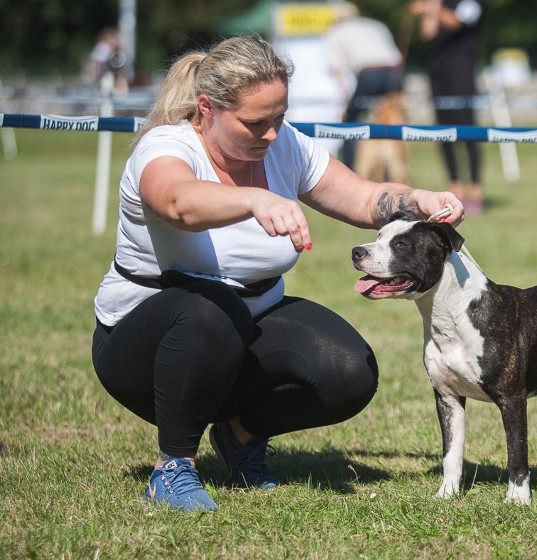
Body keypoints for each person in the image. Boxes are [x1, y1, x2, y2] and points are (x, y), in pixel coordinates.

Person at [91, 35, 464, 512]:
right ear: (206, 108)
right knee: (210, 309)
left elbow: (365, 199)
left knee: (349, 371)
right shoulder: (166, 146)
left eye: (279, 117)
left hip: (240, 331)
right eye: (255, 123)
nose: (271, 134)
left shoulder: (283, 145)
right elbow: (176, 202)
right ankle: (173, 467)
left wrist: (420, 202)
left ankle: (239, 436)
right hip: (143, 348)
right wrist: (254, 199)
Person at [409, 0, 485, 214]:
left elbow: (454, 22)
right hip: (438, 73)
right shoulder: (440, 2)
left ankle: (475, 190)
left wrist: (429, 7)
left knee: (467, 130)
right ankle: (455, 187)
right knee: (443, 132)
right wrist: (434, 1)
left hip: (461, 72)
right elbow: (427, 33)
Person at [324, 2, 405, 170]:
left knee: (350, 124)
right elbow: (397, 58)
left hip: (370, 74)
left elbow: (338, 70)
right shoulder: (377, 25)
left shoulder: (336, 32)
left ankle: (350, 169)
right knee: (392, 122)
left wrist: (348, 103)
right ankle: (394, 167)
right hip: (395, 73)